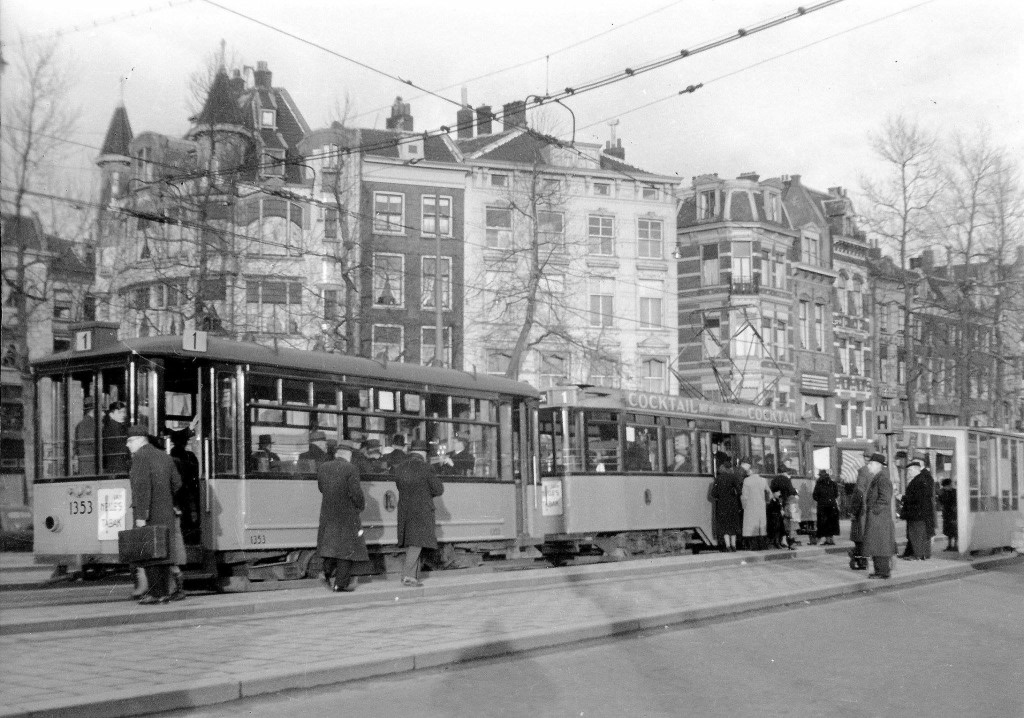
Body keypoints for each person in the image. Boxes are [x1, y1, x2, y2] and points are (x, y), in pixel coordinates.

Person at [126, 424, 182, 604]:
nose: (128, 445)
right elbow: (177, 483)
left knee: (149, 555)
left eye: (130, 441)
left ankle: (156, 594)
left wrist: (141, 516)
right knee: (163, 554)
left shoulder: (140, 457)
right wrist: (166, 499)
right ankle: (164, 592)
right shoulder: (164, 456)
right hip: (165, 512)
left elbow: (142, 489)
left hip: (149, 513)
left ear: (140, 440)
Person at [316, 440, 368, 592]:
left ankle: (325, 572)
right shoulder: (350, 469)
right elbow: (356, 493)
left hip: (327, 513)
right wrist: (360, 506)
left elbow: (321, 488)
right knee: (346, 551)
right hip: (347, 514)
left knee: (330, 546)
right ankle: (340, 584)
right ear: (349, 454)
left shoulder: (323, 467)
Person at [394, 439, 444, 587]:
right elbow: (438, 489)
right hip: (422, 511)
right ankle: (408, 576)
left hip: (405, 510)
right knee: (417, 543)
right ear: (423, 453)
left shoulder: (400, 467)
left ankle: (413, 577)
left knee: (414, 543)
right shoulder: (426, 468)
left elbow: (399, 486)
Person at [862, 452, 897, 579]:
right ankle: (880, 570)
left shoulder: (882, 479)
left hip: (879, 519)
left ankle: (882, 571)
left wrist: (874, 510)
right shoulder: (879, 478)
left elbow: (885, 498)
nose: (868, 467)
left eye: (870, 464)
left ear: (877, 465)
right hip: (878, 518)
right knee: (877, 545)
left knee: (880, 545)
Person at [169, 429, 201, 545]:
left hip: (177, 492)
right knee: (188, 517)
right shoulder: (190, 456)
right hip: (188, 491)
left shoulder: (170, 456)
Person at [900, 458, 935, 560]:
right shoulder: (918, 479)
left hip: (917, 513)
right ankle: (918, 554)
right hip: (918, 513)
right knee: (918, 535)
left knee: (917, 535)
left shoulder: (920, 480)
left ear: (917, 470)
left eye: (910, 471)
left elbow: (918, 497)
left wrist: (903, 497)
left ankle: (918, 555)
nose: (908, 473)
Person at [848, 453, 874, 570]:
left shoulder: (863, 472)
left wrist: (853, 511)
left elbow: (859, 493)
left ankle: (860, 559)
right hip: (871, 509)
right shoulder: (877, 472)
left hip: (862, 511)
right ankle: (863, 559)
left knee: (859, 537)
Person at [710, 458, 742, 551]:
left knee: (725, 526)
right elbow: (739, 491)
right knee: (733, 525)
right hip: (733, 504)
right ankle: (734, 545)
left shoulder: (718, 478)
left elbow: (713, 494)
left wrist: (720, 497)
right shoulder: (734, 477)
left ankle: (727, 546)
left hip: (722, 505)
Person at [741, 460, 771, 550]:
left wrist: (743, 506)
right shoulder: (763, 480)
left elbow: (744, 496)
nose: (747, 471)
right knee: (761, 526)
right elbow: (769, 492)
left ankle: (753, 546)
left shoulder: (746, 480)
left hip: (750, 506)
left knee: (751, 528)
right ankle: (762, 545)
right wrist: (767, 502)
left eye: (749, 470)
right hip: (761, 506)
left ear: (752, 471)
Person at [771, 470, 799, 549]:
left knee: (787, 523)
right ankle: (793, 542)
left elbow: (775, 493)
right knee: (793, 522)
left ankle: (789, 542)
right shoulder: (787, 480)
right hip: (793, 502)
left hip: (786, 502)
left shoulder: (775, 480)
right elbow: (794, 492)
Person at [812, 469, 840, 546]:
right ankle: (831, 539)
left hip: (822, 506)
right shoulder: (833, 483)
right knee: (831, 522)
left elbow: (814, 496)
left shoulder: (819, 483)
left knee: (823, 523)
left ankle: (826, 540)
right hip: (832, 505)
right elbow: (836, 494)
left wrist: (821, 500)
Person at [102, 401, 130, 474]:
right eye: (119, 412)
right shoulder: (114, 427)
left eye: (124, 412)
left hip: (115, 465)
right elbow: (121, 446)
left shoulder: (113, 426)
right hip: (118, 466)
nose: (123, 415)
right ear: (111, 415)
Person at [74, 396, 97, 475]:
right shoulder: (89, 423)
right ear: (93, 410)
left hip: (86, 458)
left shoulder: (85, 422)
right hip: (88, 460)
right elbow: (82, 440)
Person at [938, 477, 958, 552]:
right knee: (948, 531)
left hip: (953, 514)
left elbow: (955, 503)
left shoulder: (954, 492)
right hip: (947, 514)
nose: (945, 487)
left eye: (946, 486)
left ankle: (955, 545)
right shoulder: (943, 492)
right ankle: (949, 545)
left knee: (954, 530)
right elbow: (941, 502)